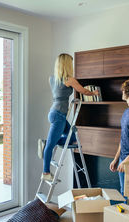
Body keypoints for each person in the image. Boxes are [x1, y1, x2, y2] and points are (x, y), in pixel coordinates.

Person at [38, 53, 99, 181]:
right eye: (70, 63)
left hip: (54, 113)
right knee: (51, 145)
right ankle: (45, 173)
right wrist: (94, 92)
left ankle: (46, 143)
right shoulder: (69, 80)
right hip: (59, 115)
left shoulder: (52, 79)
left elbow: (60, 94)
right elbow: (84, 91)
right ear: (66, 64)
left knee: (71, 137)